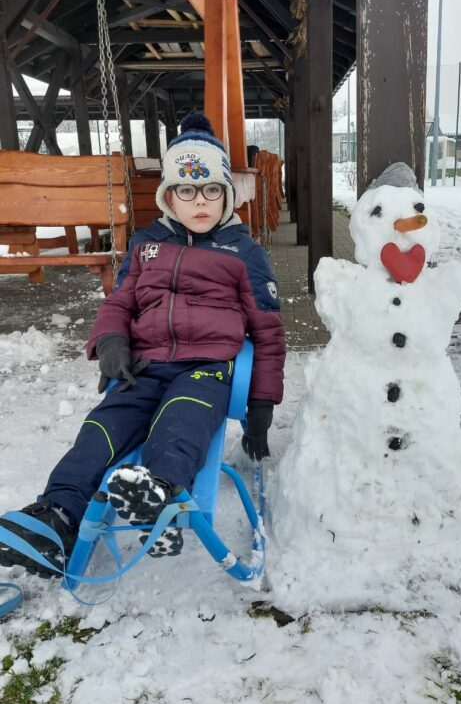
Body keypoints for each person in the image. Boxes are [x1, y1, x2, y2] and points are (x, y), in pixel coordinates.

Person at [0, 113, 286, 575]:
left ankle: (160, 495)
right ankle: (58, 516)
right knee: (101, 430)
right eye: (187, 190)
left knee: (180, 422)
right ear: (169, 196)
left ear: (227, 195)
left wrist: (261, 405)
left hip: (205, 369)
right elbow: (119, 302)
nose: (200, 202)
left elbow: (269, 332)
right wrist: (110, 340)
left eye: (212, 189)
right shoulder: (147, 245)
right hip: (145, 366)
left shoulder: (243, 253)